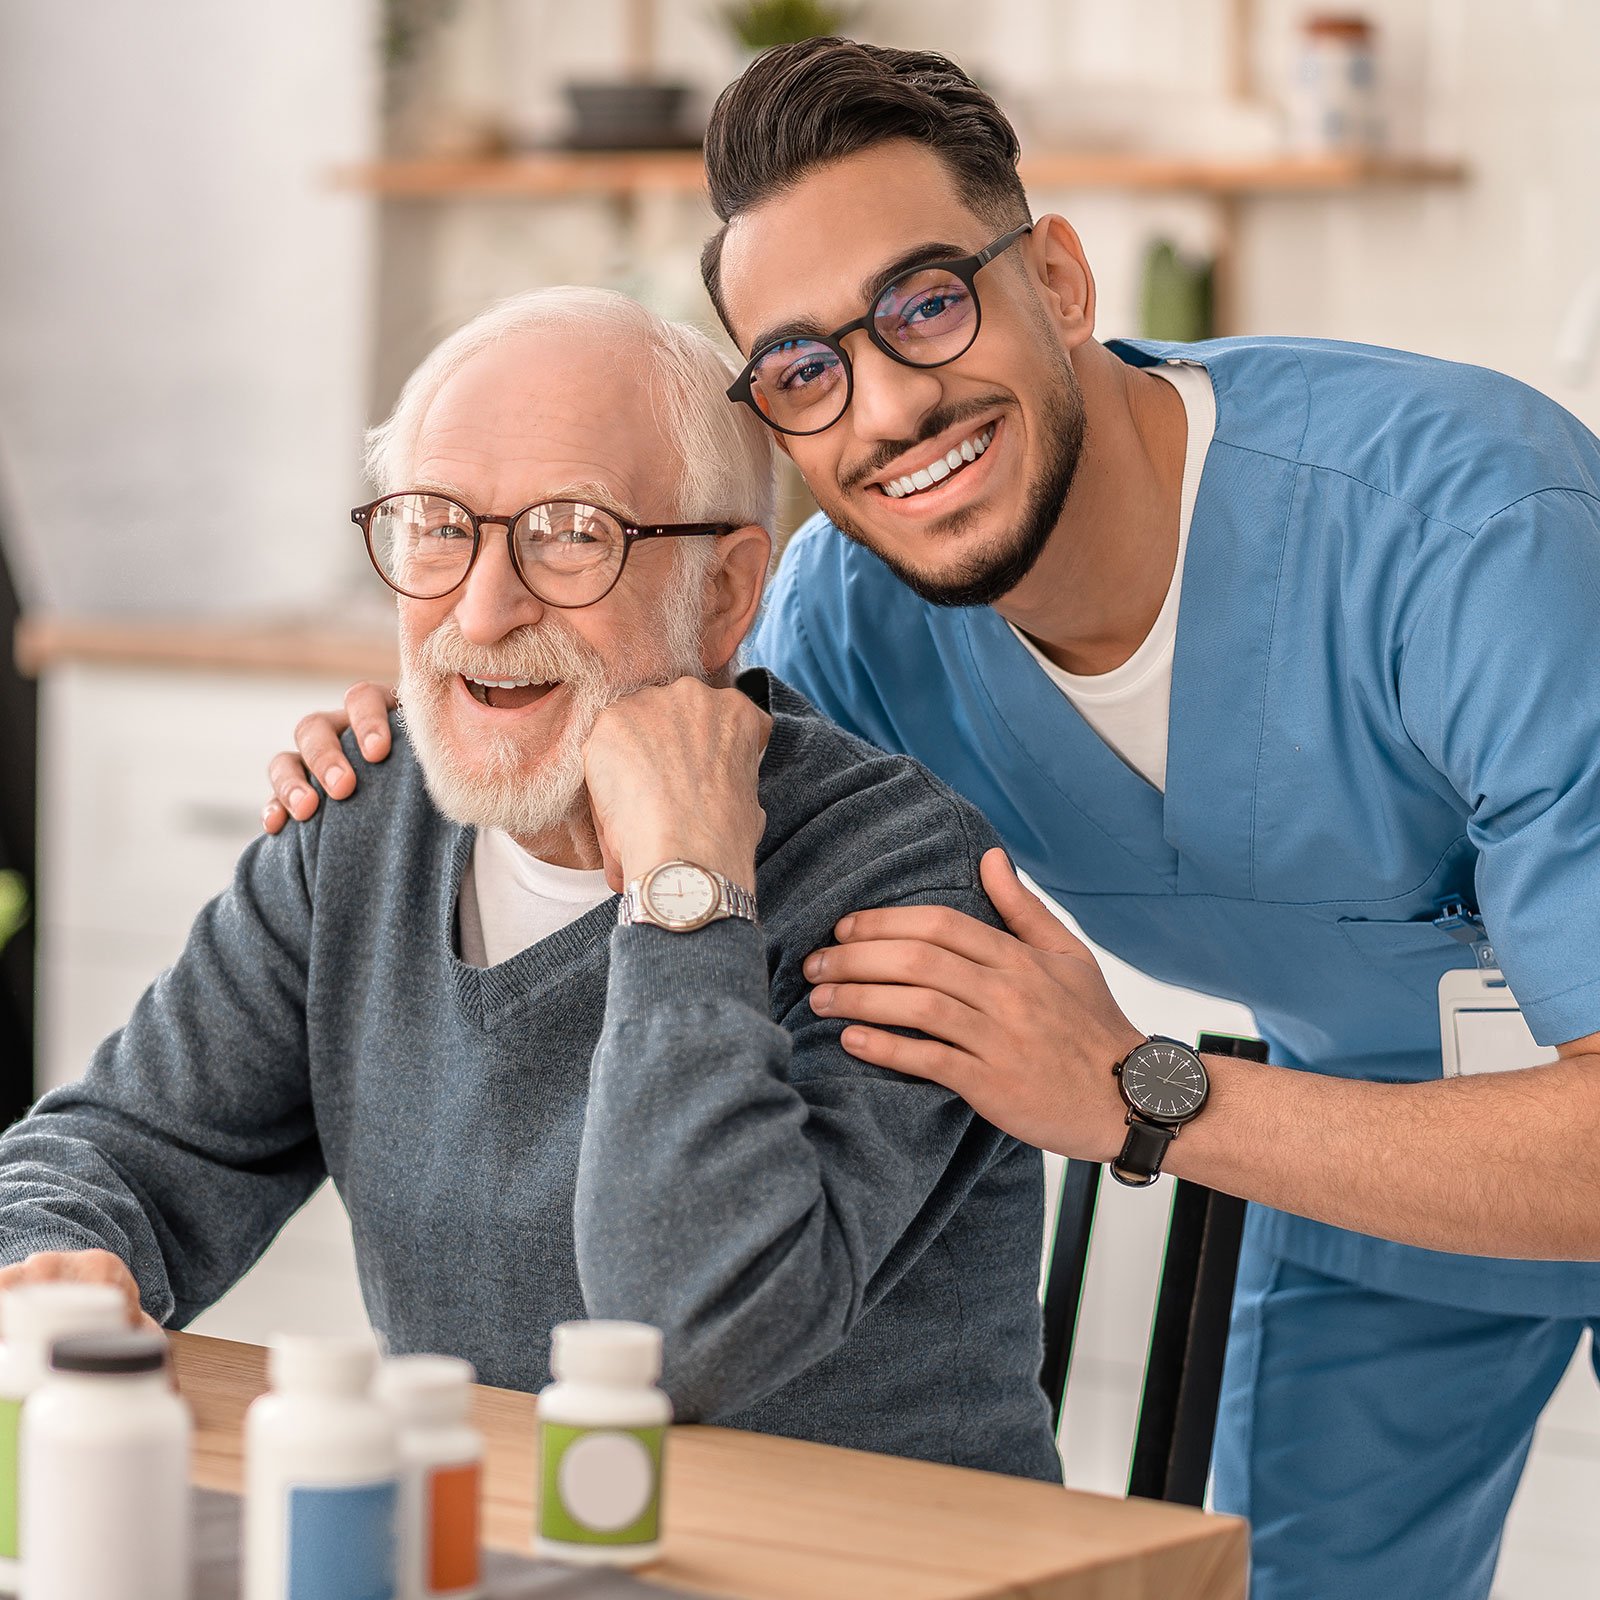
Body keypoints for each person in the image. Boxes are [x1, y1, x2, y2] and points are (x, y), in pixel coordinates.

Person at [273, 39, 1600, 1599]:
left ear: (1062, 281)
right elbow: (658, 775)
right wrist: (445, 735)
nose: (892, 407)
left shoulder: (1477, 538)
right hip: (1368, 1161)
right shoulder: (855, 619)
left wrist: (1138, 1094)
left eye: (925, 306)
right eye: (803, 370)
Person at [0, 285, 1064, 1481]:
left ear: (723, 591)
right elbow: (116, 1148)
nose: (484, 609)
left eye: (570, 532)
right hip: (489, 1539)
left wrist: (685, 884)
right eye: (436, 526)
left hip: (874, 1559)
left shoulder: (893, 871)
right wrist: (59, 1260)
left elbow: (687, 1331)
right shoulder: (361, 825)